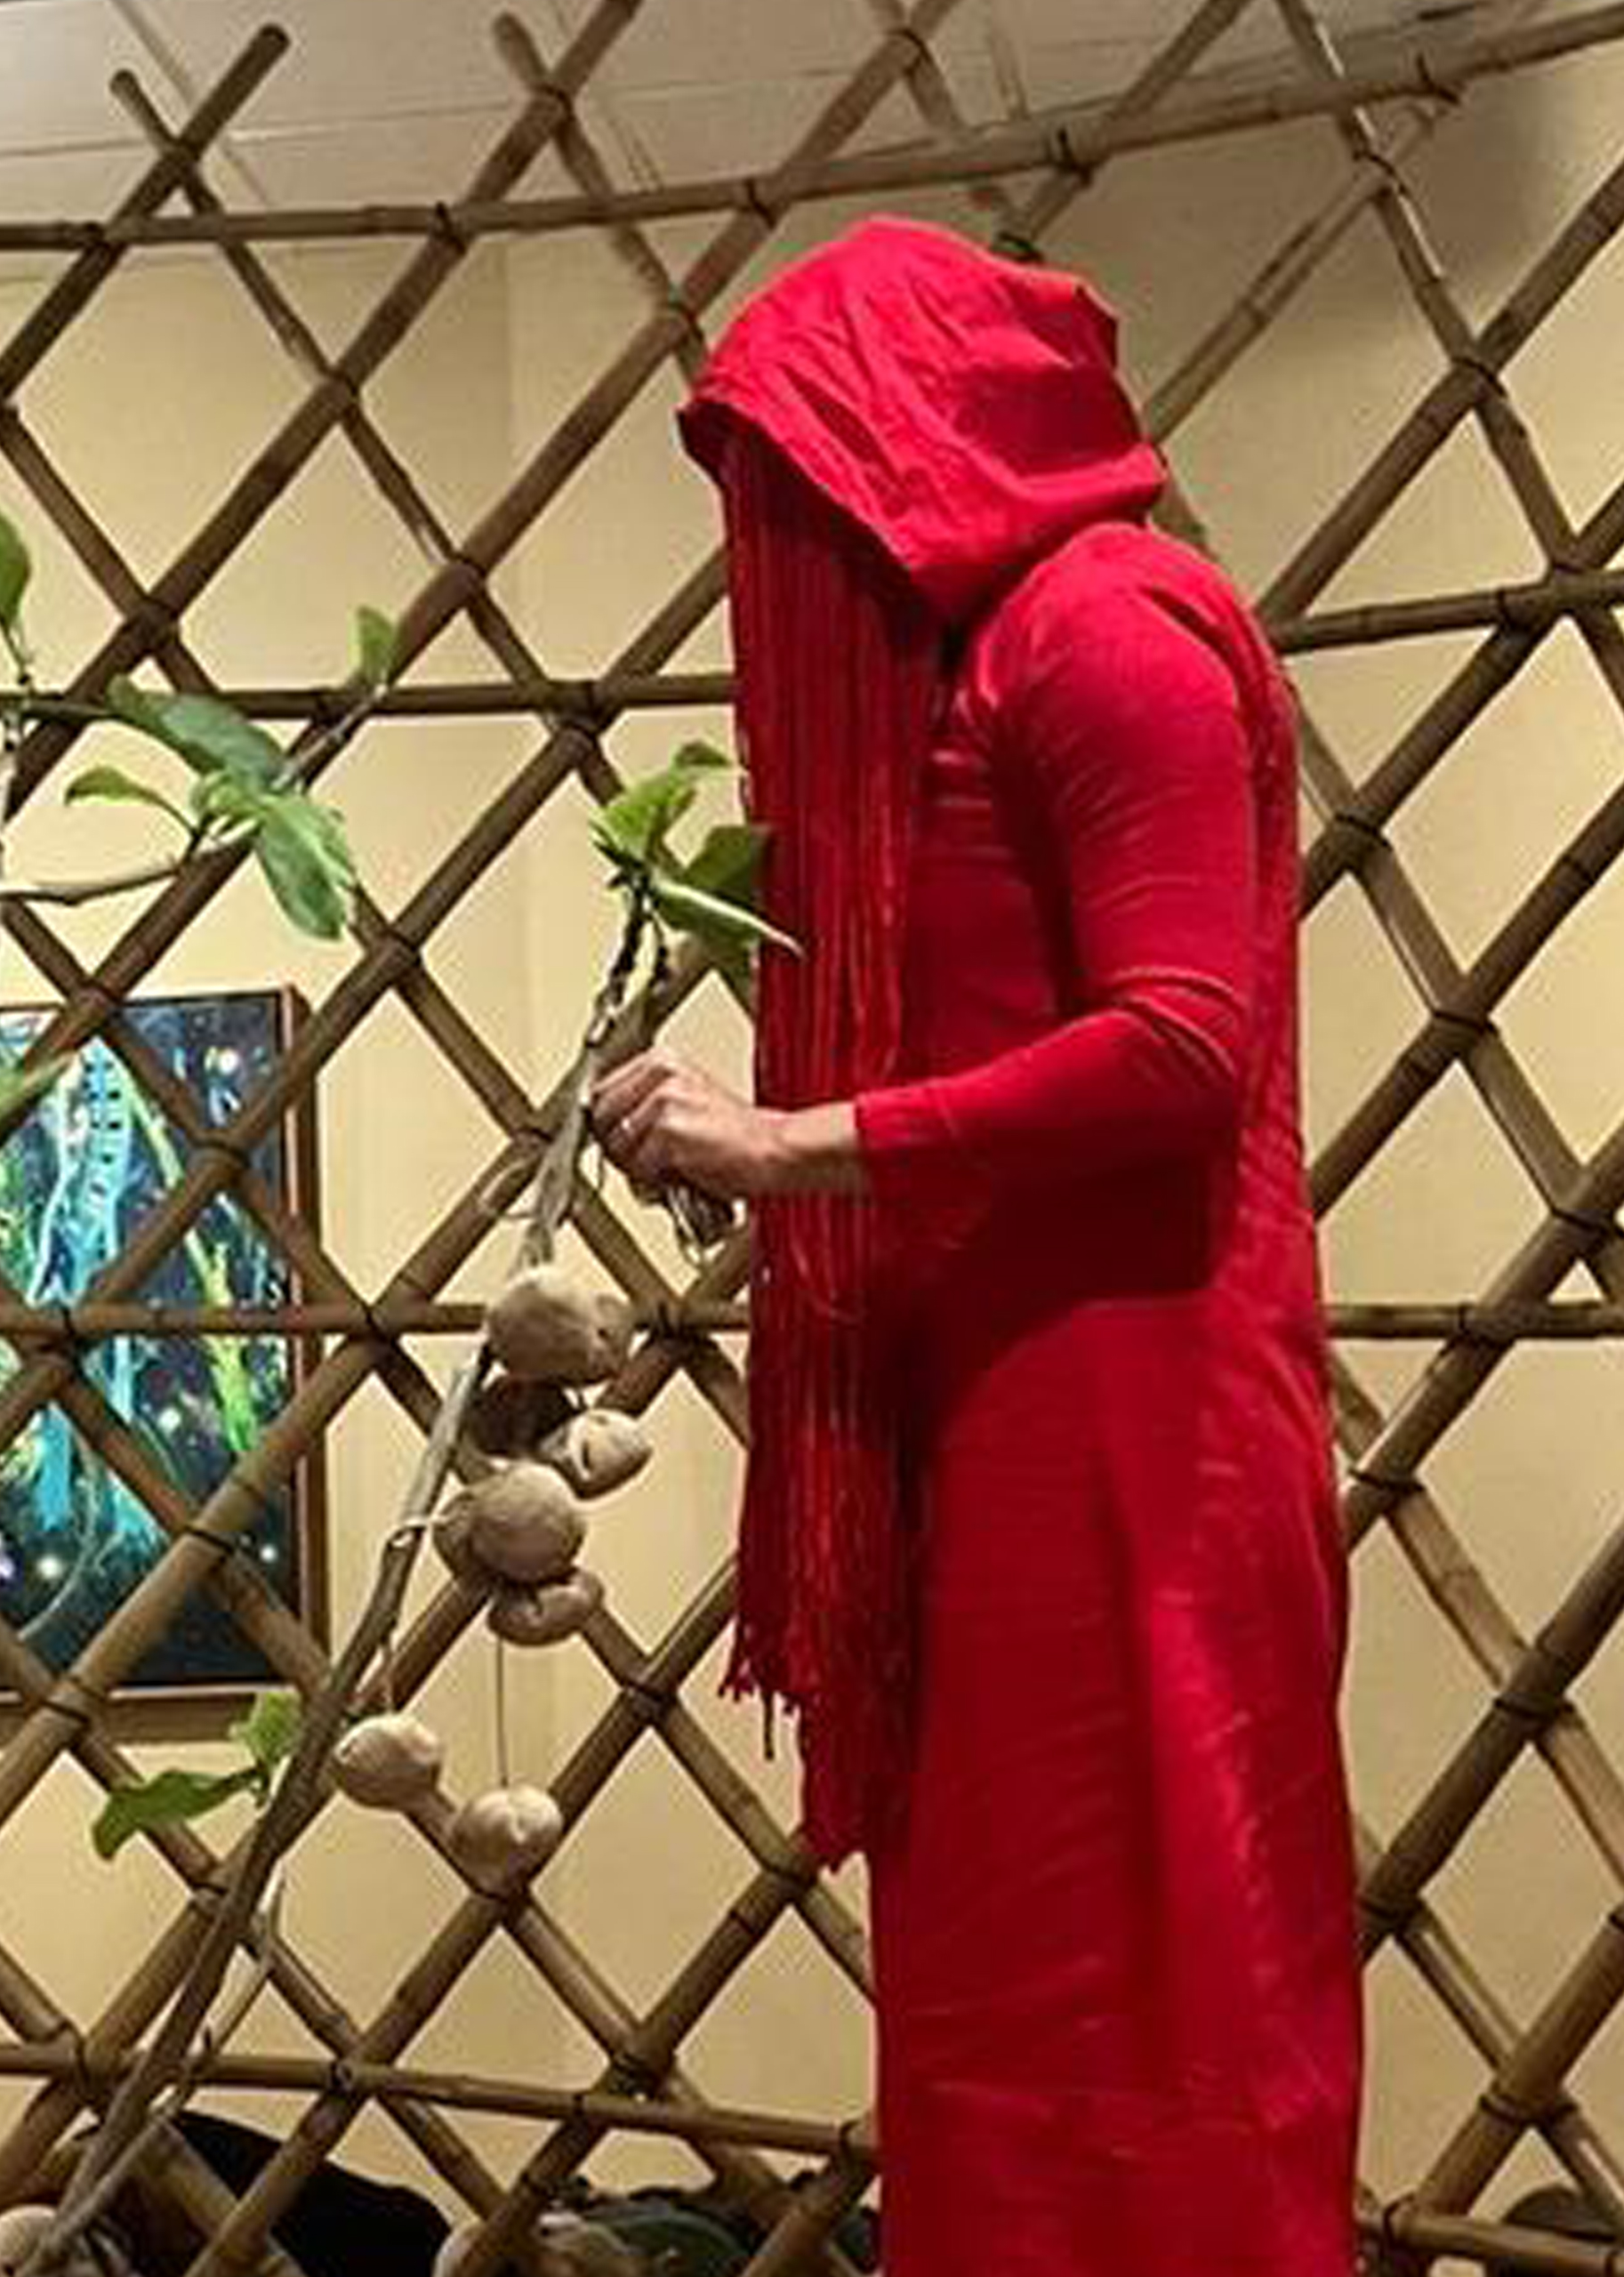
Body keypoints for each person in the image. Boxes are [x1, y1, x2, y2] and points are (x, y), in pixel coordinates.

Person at [591, 217, 1364, 2276]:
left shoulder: (1110, 630)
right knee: (1002, 1993)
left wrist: (793, 1140)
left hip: (1135, 1416)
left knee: (1155, 1976)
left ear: (906, 438)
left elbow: (1181, 1043)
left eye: (801, 475)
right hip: (998, 1398)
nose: (779, 541)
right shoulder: (990, 650)